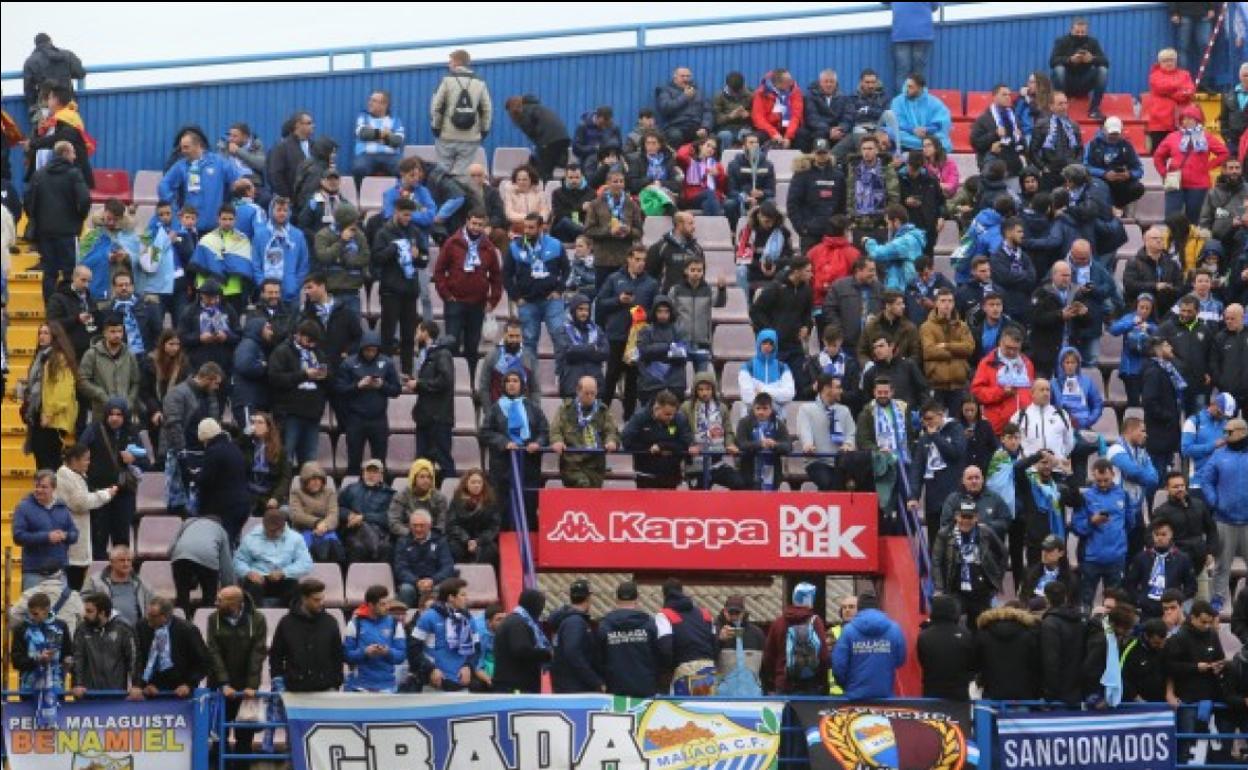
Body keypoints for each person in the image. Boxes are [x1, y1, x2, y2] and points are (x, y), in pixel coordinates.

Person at [432, 209, 505, 378]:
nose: (476, 228)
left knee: (472, 348)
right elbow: (439, 271)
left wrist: (492, 301)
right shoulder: (452, 243)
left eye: (480, 225)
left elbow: (496, 277)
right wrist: (446, 295)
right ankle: (450, 381)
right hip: (455, 302)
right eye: (474, 223)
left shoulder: (488, 247)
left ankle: (470, 381)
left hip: (477, 305)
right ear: (467, 222)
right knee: (452, 345)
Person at [78, 398, 143, 559]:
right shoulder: (94, 430)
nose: (114, 418)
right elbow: (80, 452)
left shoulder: (131, 432)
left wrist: (134, 459)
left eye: (119, 414)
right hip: (99, 493)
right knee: (98, 539)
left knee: (121, 539)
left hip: (124, 494)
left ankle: (121, 577)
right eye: (111, 414)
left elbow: (147, 461)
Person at [24, 140, 90, 300]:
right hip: (68, 232)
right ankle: (67, 307)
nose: (75, 157)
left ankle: (51, 310)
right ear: (66, 153)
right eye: (73, 153)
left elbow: (28, 201)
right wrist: (78, 220)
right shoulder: (74, 174)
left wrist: (37, 220)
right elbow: (84, 200)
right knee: (69, 272)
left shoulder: (39, 174)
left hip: (45, 232)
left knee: (49, 273)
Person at [204, 586, 266, 756]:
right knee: (218, 740)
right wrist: (224, 683)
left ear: (234, 604)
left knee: (245, 740)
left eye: (220, 600)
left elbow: (258, 653)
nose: (215, 603)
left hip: (246, 687)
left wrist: (252, 686)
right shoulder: (212, 619)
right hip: (219, 686)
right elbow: (213, 652)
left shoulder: (258, 619)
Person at [1164, 601, 1226, 763]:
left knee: (1213, 743)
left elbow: (1220, 657)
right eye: (1203, 622)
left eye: (1209, 622)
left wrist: (1219, 666)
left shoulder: (1212, 634)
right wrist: (1195, 667)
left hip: (1211, 697)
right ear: (1193, 618)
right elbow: (1170, 667)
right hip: (1187, 700)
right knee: (1186, 741)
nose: (1206, 626)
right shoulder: (1179, 637)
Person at [160, 363, 224, 515]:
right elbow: (173, 426)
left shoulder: (211, 396)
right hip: (181, 454)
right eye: (216, 383)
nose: (217, 387)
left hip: (205, 453)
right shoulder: (176, 394)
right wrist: (182, 455)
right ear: (208, 379)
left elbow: (215, 424)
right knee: (179, 504)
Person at [1199, 417, 1248, 613]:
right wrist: (1214, 500)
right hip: (1224, 520)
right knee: (1221, 566)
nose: (1225, 435)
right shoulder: (1218, 456)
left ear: (1243, 432)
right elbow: (1206, 480)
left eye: (1229, 432)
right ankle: (1218, 599)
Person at [334, 332, 400, 475]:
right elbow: (339, 389)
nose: (370, 353)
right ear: (361, 349)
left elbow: (396, 390)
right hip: (355, 419)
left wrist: (382, 385)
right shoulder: (348, 363)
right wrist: (358, 386)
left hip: (379, 419)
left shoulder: (387, 363)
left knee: (380, 462)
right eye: (367, 350)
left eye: (373, 350)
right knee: (354, 461)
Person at [1073, 459, 1132, 610]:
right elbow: (1077, 528)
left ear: (1113, 474)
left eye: (1106, 480)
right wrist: (1092, 522)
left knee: (1114, 604)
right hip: (1091, 558)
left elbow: (1130, 523)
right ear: (1093, 476)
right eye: (1099, 481)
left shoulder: (1123, 495)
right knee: (1086, 601)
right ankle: (1086, 629)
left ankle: (1112, 632)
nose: (1103, 484)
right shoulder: (1085, 497)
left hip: (1116, 557)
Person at [1154, 105, 1230, 221]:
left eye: (1190, 118)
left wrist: (1208, 166)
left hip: (1198, 185)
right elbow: (1158, 157)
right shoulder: (1172, 137)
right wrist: (1164, 173)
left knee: (1195, 218)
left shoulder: (1206, 137)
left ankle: (1193, 239)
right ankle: (1171, 238)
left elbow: (1224, 153)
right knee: (1171, 218)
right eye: (1184, 118)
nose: (1186, 121)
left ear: (1197, 120)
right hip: (1174, 183)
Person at [909, 401, 970, 546]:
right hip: (933, 498)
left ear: (940, 415)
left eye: (930, 419)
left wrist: (936, 436)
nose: (927, 423)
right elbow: (917, 468)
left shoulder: (956, 429)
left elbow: (956, 453)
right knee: (935, 544)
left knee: (954, 544)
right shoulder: (924, 438)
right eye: (924, 420)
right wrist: (914, 496)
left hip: (954, 495)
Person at [269, 578, 344, 692]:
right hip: (294, 689)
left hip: (326, 688)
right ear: (304, 598)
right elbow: (276, 656)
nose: (321, 603)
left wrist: (336, 683)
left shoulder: (330, 622)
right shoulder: (286, 623)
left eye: (322, 599)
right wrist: (278, 681)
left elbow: (337, 656)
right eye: (316, 600)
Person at [430, 50, 492, 182]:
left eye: (450, 61)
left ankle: (442, 200)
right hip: (470, 137)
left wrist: (436, 127)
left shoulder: (447, 81)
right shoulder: (480, 83)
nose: (449, 64)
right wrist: (484, 130)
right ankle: (458, 200)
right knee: (462, 175)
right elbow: (487, 109)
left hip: (447, 135)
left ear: (457, 62)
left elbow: (437, 106)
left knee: (442, 171)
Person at [233, 507, 312, 609]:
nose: (270, 533)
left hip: (284, 578)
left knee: (294, 588)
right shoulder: (251, 538)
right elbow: (238, 561)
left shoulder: (296, 538)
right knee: (252, 588)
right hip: (258, 578)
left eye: (274, 531)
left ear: (283, 528)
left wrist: (284, 572)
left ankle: (287, 618)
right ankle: (255, 619)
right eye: (267, 530)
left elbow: (305, 563)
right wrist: (248, 572)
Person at [550, 376, 620, 489]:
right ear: (578, 391)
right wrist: (557, 441)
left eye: (593, 393)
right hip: (572, 462)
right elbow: (556, 429)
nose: (590, 397)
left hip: (595, 463)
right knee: (582, 486)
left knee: (593, 498)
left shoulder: (602, 410)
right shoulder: (566, 409)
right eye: (586, 393)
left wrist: (611, 441)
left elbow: (611, 430)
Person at [831, 594, 906, 699]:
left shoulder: (848, 630)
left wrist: (847, 686)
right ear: (878, 607)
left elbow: (839, 666)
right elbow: (900, 660)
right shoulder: (894, 628)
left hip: (855, 696)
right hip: (885, 695)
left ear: (859, 609)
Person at [411, 577, 480, 692]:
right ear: (451, 598)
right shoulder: (428, 617)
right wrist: (430, 670)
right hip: (435, 684)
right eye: (462, 595)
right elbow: (413, 649)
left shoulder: (468, 618)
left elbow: (476, 648)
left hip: (461, 684)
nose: (466, 598)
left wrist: (469, 667)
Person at [407, 320, 457, 477]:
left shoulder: (442, 354)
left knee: (443, 460)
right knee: (422, 464)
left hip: (438, 418)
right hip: (425, 417)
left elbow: (445, 381)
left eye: (417, 332)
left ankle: (451, 494)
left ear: (425, 332)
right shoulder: (428, 354)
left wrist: (419, 384)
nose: (416, 336)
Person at [160, 127, 240, 225]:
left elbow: (237, 181)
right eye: (182, 147)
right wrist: (173, 207)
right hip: (190, 226)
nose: (182, 151)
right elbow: (164, 185)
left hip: (214, 226)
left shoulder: (219, 162)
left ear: (198, 145)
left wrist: (230, 204)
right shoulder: (181, 165)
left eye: (186, 147)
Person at [13, 471, 77, 592]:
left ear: (53, 488)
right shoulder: (23, 507)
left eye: (43, 487)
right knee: (34, 610)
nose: (39, 490)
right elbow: (18, 536)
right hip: (34, 573)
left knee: (56, 611)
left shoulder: (62, 508)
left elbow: (74, 534)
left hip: (59, 573)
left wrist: (65, 536)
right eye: (37, 486)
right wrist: (47, 537)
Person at [760, 582, 829, 695]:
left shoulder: (779, 622)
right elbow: (824, 656)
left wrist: (776, 676)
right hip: (810, 684)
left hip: (784, 683)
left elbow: (768, 658)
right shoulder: (815, 622)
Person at [583, 167, 644, 290]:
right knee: (602, 296)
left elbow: (639, 231)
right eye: (615, 181)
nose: (619, 184)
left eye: (621, 181)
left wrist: (628, 231)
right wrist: (609, 231)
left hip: (625, 260)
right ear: (608, 183)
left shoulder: (632, 204)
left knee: (627, 296)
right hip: (603, 260)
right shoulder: (596, 204)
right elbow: (588, 230)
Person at [136, 596, 210, 698]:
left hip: (181, 692)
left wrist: (189, 685)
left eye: (152, 616)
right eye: (147, 614)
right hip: (151, 691)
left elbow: (203, 662)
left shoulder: (187, 630)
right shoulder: (141, 627)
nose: (148, 618)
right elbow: (138, 659)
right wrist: (142, 684)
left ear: (165, 616)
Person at [597, 581, 661, 698]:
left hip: (615, 689)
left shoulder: (604, 625)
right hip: (645, 687)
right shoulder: (649, 623)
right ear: (637, 599)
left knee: (618, 716)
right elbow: (658, 655)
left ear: (616, 599)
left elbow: (598, 658)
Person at [654, 578, 718, 696]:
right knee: (708, 712)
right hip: (709, 671)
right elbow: (715, 644)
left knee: (684, 712)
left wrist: (667, 671)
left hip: (684, 672)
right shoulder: (705, 613)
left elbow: (665, 649)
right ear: (682, 591)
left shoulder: (664, 615)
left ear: (664, 594)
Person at [72, 592, 141, 697]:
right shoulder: (82, 629)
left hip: (116, 695)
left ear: (102, 613)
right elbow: (78, 658)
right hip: (88, 695)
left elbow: (134, 658)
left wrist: (136, 685)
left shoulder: (124, 628)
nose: (85, 615)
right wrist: (77, 684)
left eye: (89, 611)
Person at [1126, 518, 1197, 619]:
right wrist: (1139, 600)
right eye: (1156, 534)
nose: (1159, 538)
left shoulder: (1182, 559)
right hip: (1147, 610)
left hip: (1171, 610)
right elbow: (1130, 584)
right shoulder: (1141, 558)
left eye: (1163, 534)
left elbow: (1191, 586)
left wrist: (1178, 600)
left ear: (1171, 535)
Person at [343, 584, 407, 693]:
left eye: (388, 603)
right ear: (371, 605)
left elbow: (401, 655)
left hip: (387, 687)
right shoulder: (355, 624)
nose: (387, 607)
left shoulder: (396, 624)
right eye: (383, 604)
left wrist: (387, 652)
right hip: (359, 687)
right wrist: (365, 653)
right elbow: (346, 655)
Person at [798, 374, 857, 491]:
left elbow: (851, 433)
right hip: (817, 461)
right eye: (838, 387)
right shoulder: (806, 409)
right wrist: (808, 444)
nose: (841, 391)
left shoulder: (844, 410)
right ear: (826, 389)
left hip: (841, 462)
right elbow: (805, 430)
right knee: (829, 483)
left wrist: (849, 444)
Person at [787, 139, 847, 253]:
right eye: (819, 153)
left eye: (824, 153)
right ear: (813, 153)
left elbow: (842, 204)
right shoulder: (802, 174)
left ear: (829, 153)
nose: (821, 156)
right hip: (810, 233)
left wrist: (839, 226)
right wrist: (801, 228)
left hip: (832, 232)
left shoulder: (838, 175)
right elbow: (793, 203)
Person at [971, 327, 1034, 435]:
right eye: (1008, 348)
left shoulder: (1027, 363)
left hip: (1024, 427)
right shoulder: (987, 363)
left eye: (1016, 349)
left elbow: (1031, 392)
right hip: (998, 428)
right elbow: (977, 392)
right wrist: (1001, 392)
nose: (1012, 352)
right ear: (1000, 343)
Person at [11, 591, 72, 702]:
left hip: (56, 688)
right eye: (30, 613)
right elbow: (16, 661)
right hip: (29, 689)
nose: (32, 617)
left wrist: (67, 663)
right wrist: (38, 660)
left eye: (35, 614)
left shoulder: (61, 627)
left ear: (47, 610)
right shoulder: (21, 629)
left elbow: (68, 654)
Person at [168, 512, 234, 616]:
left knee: (182, 597)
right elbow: (226, 567)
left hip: (180, 556)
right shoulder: (221, 531)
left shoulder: (188, 523)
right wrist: (230, 589)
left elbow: (170, 550)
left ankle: (182, 622)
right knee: (209, 598)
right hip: (207, 557)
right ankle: (205, 621)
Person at [920, 288, 973, 412]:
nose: (947, 304)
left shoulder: (962, 326)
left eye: (950, 301)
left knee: (956, 423)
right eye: (943, 301)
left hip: (958, 384)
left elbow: (969, 349)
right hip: (937, 384)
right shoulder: (927, 327)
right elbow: (929, 351)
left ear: (954, 303)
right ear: (936, 303)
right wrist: (957, 352)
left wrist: (946, 345)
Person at [975, 601, 1041, 700]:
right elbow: (1037, 664)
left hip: (992, 694)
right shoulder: (1031, 634)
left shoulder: (983, 634)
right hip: (1025, 695)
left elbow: (976, 664)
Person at [547, 580, 604, 694]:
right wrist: (595, 681)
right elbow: (573, 653)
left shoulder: (566, 620)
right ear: (588, 598)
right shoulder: (576, 622)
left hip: (565, 686)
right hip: (575, 688)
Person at [1048, 17, 1110, 120]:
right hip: (1066, 83)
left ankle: (1094, 109)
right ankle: (1060, 108)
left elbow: (1106, 62)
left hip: (1084, 83)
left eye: (1083, 32)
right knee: (1059, 69)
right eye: (1077, 32)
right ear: (1071, 30)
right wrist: (1070, 60)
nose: (1080, 35)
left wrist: (1092, 59)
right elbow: (1052, 61)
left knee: (1103, 70)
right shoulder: (1062, 41)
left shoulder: (1092, 42)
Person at [492, 588, 552, 694]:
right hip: (515, 687)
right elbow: (522, 650)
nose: (541, 609)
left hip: (514, 684)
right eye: (541, 605)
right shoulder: (518, 624)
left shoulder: (517, 621)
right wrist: (547, 654)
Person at [917, 594, 975, 701]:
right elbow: (972, 663)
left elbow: (922, 660)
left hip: (932, 692)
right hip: (959, 694)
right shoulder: (966, 635)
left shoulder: (924, 635)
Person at [393, 510, 456, 607]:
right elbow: (400, 568)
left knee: (441, 589)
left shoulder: (440, 541)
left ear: (429, 526)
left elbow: (447, 566)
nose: (418, 529)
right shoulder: (403, 542)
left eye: (422, 525)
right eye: (415, 525)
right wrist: (416, 581)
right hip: (412, 583)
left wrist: (432, 580)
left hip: (435, 582)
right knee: (405, 590)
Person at [822, 257, 883, 354]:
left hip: (871, 345)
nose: (874, 274)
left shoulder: (879, 287)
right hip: (847, 345)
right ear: (859, 271)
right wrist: (840, 330)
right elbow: (829, 309)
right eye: (871, 271)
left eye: (874, 270)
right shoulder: (840, 286)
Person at [81, 546, 151, 628]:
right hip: (103, 631)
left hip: (134, 632)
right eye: (122, 560)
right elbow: (84, 603)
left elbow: (151, 607)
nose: (126, 564)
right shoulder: (94, 581)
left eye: (129, 560)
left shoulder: (142, 583)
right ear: (111, 562)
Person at [505, 95, 571, 182]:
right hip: (563, 138)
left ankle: (546, 192)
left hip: (549, 140)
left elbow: (531, 131)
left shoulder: (523, 113)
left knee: (544, 171)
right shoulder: (537, 107)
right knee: (549, 166)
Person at [1085, 117, 1146, 210]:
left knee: (1138, 188)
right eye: (1111, 133)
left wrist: (1128, 174)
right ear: (1104, 130)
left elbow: (1139, 170)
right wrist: (1104, 174)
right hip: (1100, 179)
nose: (1113, 137)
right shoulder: (1092, 145)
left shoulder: (1127, 146)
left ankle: (1118, 207)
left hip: (1121, 181)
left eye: (1116, 134)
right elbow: (1085, 167)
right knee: (1099, 186)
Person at [288, 462, 343, 564]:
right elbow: (296, 515)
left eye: (319, 479)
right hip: (303, 530)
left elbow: (333, 515)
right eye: (312, 479)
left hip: (326, 530)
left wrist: (324, 525)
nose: (316, 482)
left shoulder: (329, 493)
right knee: (311, 551)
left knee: (336, 550)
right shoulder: (296, 493)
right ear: (305, 481)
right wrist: (317, 522)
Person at [847, 137, 901, 239]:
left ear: (877, 150)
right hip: (858, 221)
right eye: (864, 149)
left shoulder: (886, 168)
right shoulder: (854, 169)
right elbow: (850, 193)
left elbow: (894, 196)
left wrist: (888, 217)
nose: (866, 152)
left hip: (880, 222)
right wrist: (851, 217)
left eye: (870, 148)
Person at [1029, 92, 1085, 192]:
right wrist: (1044, 167)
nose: (1064, 107)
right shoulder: (1041, 124)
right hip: (1050, 173)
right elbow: (1033, 151)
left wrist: (1077, 164)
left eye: (1065, 103)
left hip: (1070, 174)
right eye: (1060, 104)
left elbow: (1080, 149)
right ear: (1051, 106)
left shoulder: (1073, 125)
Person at [445, 469, 501, 565]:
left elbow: (493, 526)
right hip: (461, 539)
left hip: (482, 541)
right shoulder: (457, 500)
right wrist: (466, 540)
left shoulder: (490, 502)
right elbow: (452, 524)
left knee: (491, 551)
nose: (476, 485)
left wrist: (478, 541)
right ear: (466, 483)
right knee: (452, 549)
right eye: (473, 482)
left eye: (479, 482)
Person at [22, 33, 85, 115]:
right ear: (50, 41)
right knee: (70, 125)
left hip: (46, 105)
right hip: (67, 101)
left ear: (36, 45)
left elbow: (28, 88)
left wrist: (33, 107)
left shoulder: (30, 61)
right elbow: (80, 74)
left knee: (47, 126)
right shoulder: (67, 54)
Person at [351, 89, 405, 186]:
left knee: (403, 171)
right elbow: (363, 133)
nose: (370, 103)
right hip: (366, 155)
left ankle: (402, 198)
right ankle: (358, 199)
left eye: (374, 101)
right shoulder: (363, 117)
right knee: (358, 169)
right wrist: (385, 134)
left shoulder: (395, 120)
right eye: (370, 100)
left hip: (391, 156)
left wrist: (373, 134)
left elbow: (397, 141)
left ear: (384, 105)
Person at [387, 459, 449, 538]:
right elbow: (394, 522)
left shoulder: (440, 498)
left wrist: (427, 536)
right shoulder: (401, 496)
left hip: (432, 538)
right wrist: (412, 534)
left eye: (429, 477)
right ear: (414, 478)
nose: (426, 480)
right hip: (406, 536)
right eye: (422, 477)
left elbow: (442, 524)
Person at [890, 73, 951, 153]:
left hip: (928, 135)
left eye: (910, 87)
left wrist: (926, 130)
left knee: (942, 140)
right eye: (906, 86)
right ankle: (927, 147)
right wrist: (913, 130)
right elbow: (896, 121)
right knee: (891, 132)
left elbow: (941, 121)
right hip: (907, 134)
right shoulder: (897, 101)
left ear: (920, 88)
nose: (906, 89)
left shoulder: (934, 102)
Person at [738, 328, 797, 410]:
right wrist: (775, 393)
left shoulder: (783, 368)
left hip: (777, 414)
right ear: (759, 343)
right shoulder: (747, 367)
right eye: (764, 343)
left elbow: (789, 394)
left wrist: (763, 390)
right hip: (751, 415)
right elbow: (747, 396)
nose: (767, 346)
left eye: (771, 344)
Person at [1212, 304, 1248, 425]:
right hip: (1229, 393)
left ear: (1242, 317)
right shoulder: (1220, 338)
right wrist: (1221, 383)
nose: (1229, 321)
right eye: (1227, 318)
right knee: (1228, 428)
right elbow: (1214, 363)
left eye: (1233, 318)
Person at [751, 68, 804, 149]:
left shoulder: (795, 92)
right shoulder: (761, 93)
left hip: (789, 128)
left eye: (791, 80)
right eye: (788, 82)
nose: (791, 83)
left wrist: (788, 137)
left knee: (803, 136)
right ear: (777, 84)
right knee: (754, 139)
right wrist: (773, 133)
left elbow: (796, 116)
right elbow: (758, 118)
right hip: (769, 128)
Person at [268, 111, 315, 200]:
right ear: (298, 125)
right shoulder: (282, 147)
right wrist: (287, 197)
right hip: (292, 201)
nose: (313, 126)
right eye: (309, 123)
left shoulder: (315, 146)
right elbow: (275, 175)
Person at [572, 106, 623, 174]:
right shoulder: (583, 126)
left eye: (607, 124)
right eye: (603, 123)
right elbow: (576, 148)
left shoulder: (614, 128)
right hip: (588, 165)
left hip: (609, 166)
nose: (604, 127)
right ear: (597, 117)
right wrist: (594, 148)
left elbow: (619, 146)